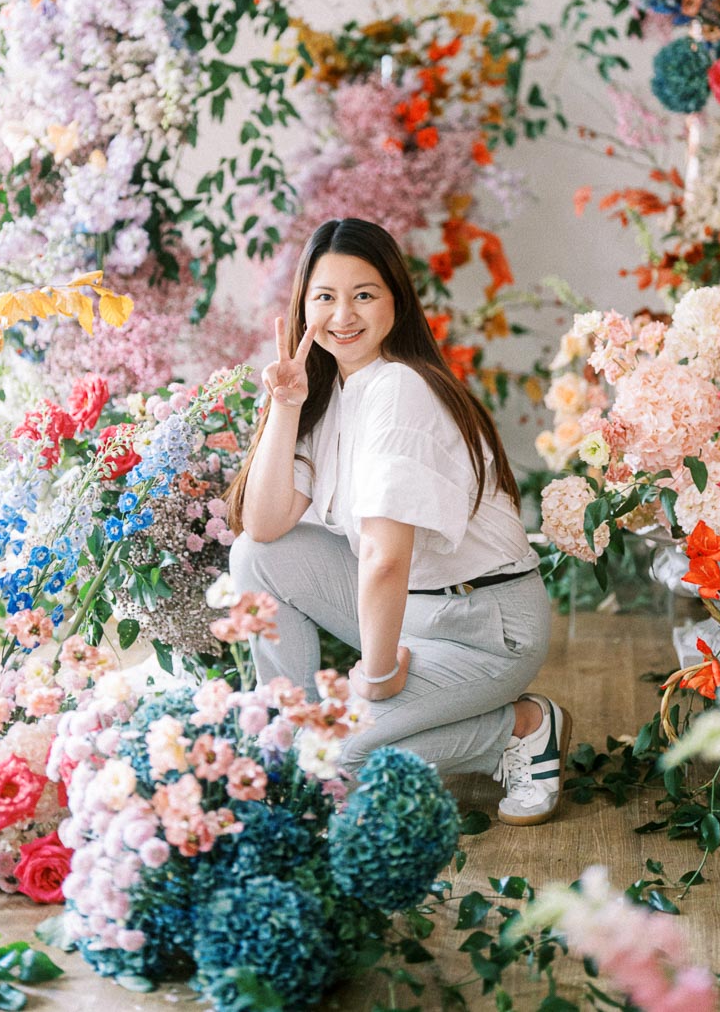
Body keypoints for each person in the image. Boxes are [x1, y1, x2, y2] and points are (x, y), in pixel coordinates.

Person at [227, 218, 570, 824]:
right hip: (414, 609)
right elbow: (263, 525)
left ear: (396, 301)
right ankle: (289, 742)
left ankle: (519, 727)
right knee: (255, 556)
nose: (343, 315)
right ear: (304, 307)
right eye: (325, 298)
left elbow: (385, 557)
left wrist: (379, 676)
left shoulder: (400, 391)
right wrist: (285, 407)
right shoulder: (332, 391)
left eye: (364, 294)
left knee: (340, 764)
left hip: (483, 626)